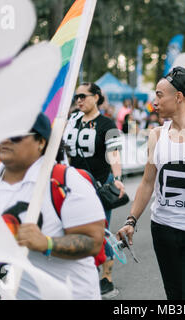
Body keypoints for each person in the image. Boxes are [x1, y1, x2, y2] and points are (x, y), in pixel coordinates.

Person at [0, 112, 106, 299]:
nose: (6, 140)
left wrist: (46, 243)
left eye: (16, 135)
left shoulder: (67, 181)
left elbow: (93, 241)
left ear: (41, 142)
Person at [116, 67, 185, 300]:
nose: (154, 102)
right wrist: (131, 220)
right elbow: (147, 183)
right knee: (174, 295)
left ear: (178, 97)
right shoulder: (157, 135)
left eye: (160, 95)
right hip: (163, 228)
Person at [62, 82, 125, 296]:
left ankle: (106, 277)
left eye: (83, 96)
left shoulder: (107, 124)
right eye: (76, 97)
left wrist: (117, 178)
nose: (78, 100)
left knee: (100, 229)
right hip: (72, 184)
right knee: (72, 228)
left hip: (99, 185)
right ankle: (83, 272)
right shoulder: (71, 122)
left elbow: (114, 154)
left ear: (96, 97)